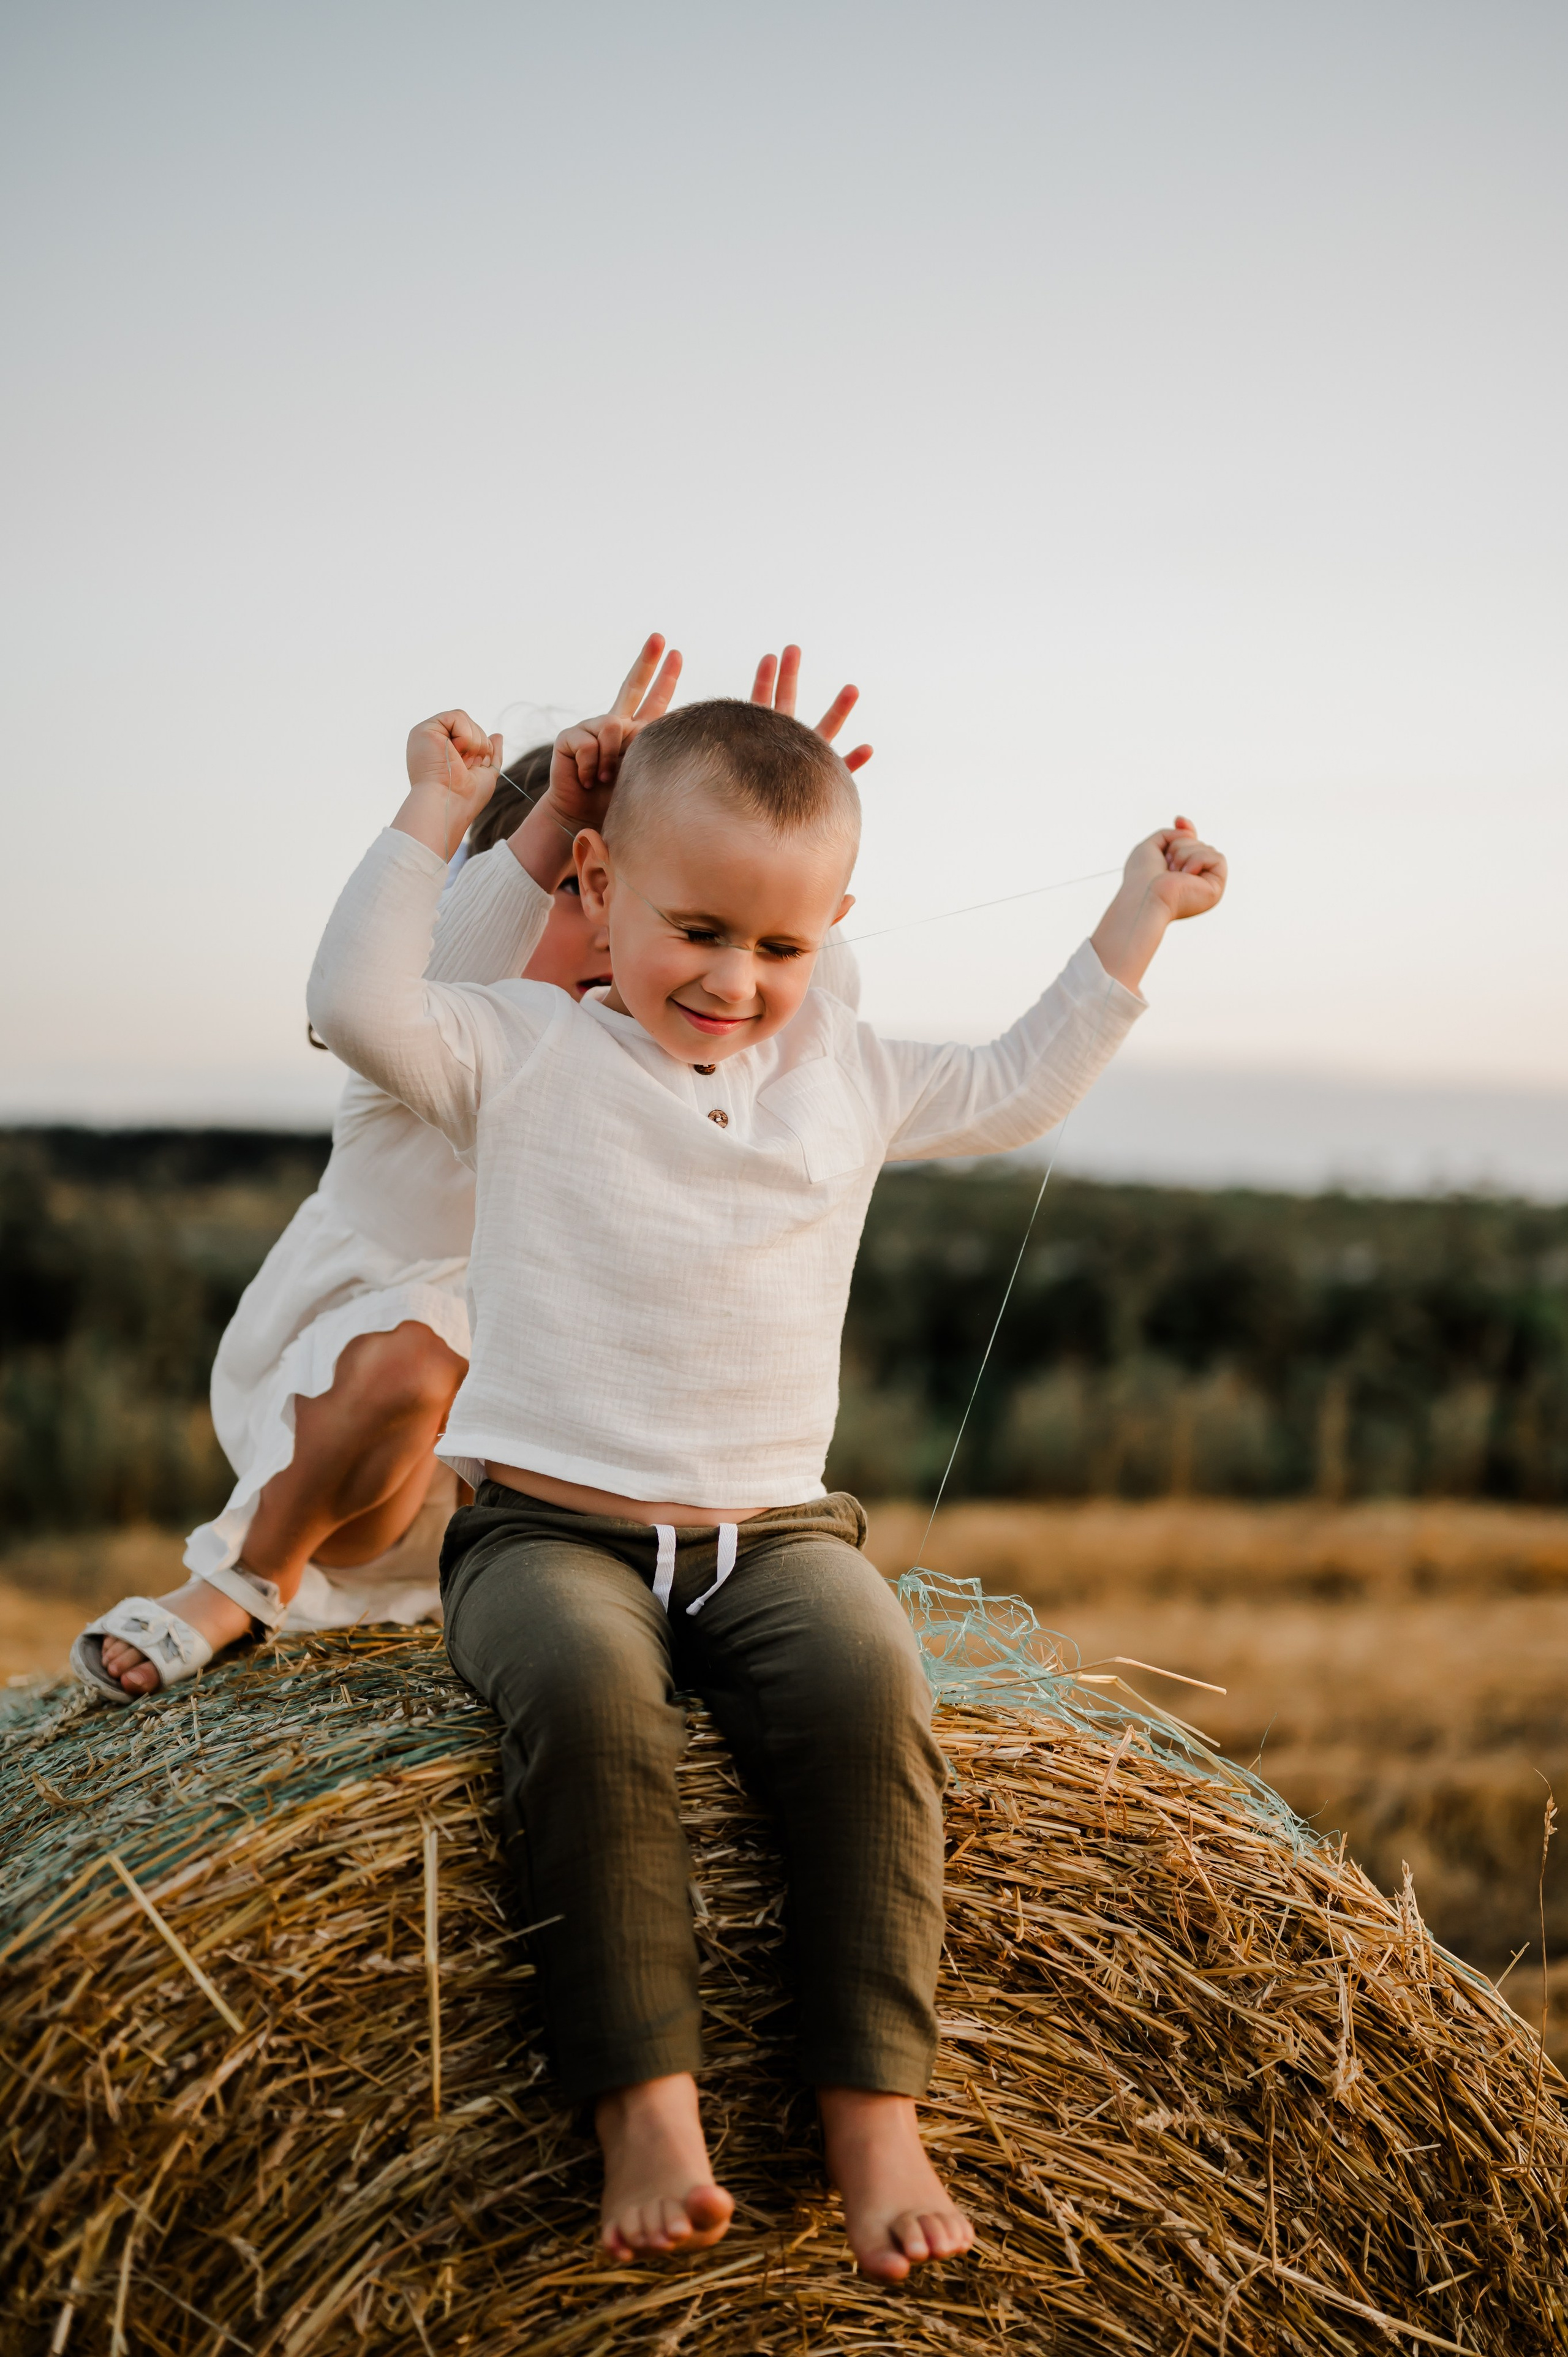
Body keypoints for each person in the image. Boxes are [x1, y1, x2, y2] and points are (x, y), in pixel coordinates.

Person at [300, 644, 1227, 2280]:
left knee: (879, 1701)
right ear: (601, 883)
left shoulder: (843, 1080)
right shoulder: (525, 1052)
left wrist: (1135, 919)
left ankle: (876, 2108)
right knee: (590, 1710)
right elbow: (356, 1008)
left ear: (834, 936)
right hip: (546, 1544)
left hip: (779, 1542)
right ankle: (643, 2102)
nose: (736, 978)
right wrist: (433, 812)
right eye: (699, 931)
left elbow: (1018, 1089)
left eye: (784, 943)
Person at [72, 640, 869, 1701]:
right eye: (569, 890)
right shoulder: (439, 1037)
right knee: (420, 1348)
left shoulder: (657, 1073)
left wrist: (781, 831)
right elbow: (428, 972)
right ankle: (243, 1579)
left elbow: (812, 1036)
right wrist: (545, 825)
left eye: (649, 902)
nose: (601, 927)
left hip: (522, 1468)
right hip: (347, 1414)